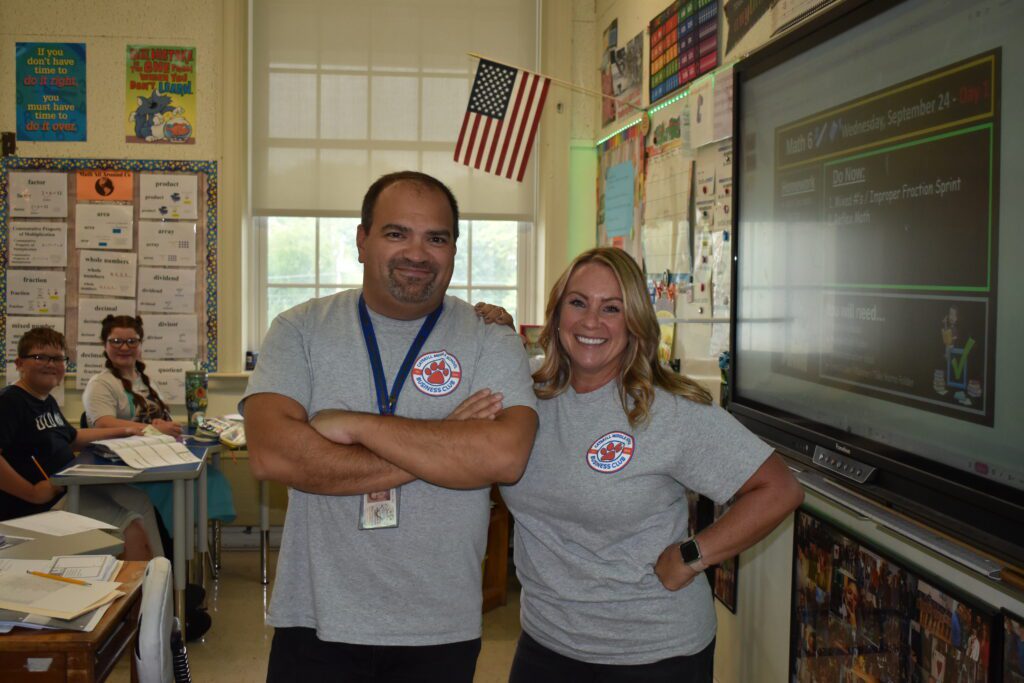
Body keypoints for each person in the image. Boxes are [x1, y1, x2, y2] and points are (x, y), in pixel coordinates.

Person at [241, 171, 538, 682]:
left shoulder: (491, 337)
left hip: (439, 628)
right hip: (314, 622)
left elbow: (503, 458)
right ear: (362, 240)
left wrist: (356, 427)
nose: (417, 253)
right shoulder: (299, 330)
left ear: (454, 249)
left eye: (436, 238)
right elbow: (274, 455)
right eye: (397, 233)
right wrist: (444, 441)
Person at [498, 247, 804, 682]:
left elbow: (779, 489)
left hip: (653, 651)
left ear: (635, 323)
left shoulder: (668, 410)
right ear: (556, 313)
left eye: (612, 309)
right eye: (578, 302)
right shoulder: (523, 397)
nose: (591, 322)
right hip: (547, 640)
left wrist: (692, 556)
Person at [0, 326, 159, 560]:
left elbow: (72, 438)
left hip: (67, 491)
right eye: (39, 357)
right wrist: (32, 492)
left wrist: (126, 431)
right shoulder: (10, 401)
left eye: (57, 358)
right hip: (36, 508)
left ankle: (167, 585)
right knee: (132, 530)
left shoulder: (46, 400)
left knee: (140, 501)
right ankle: (146, 593)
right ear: (19, 363)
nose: (50, 364)